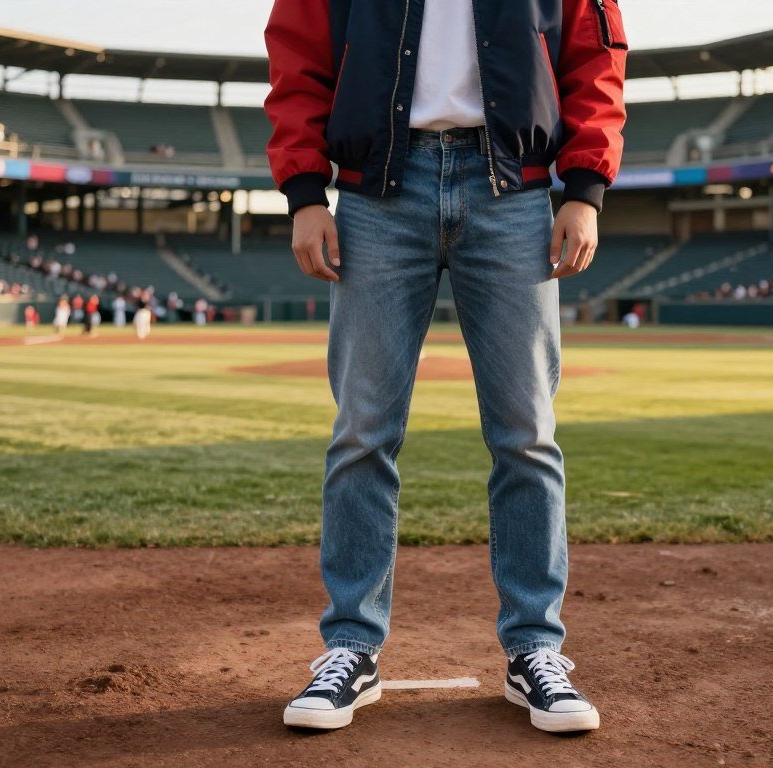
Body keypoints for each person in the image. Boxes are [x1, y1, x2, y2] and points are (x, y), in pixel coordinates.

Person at [265, 0, 626, 734]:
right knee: (362, 433)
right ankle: (351, 647)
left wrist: (585, 187)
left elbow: (595, 56)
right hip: (376, 193)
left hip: (513, 191)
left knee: (527, 435)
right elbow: (296, 56)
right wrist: (304, 190)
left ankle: (534, 649)